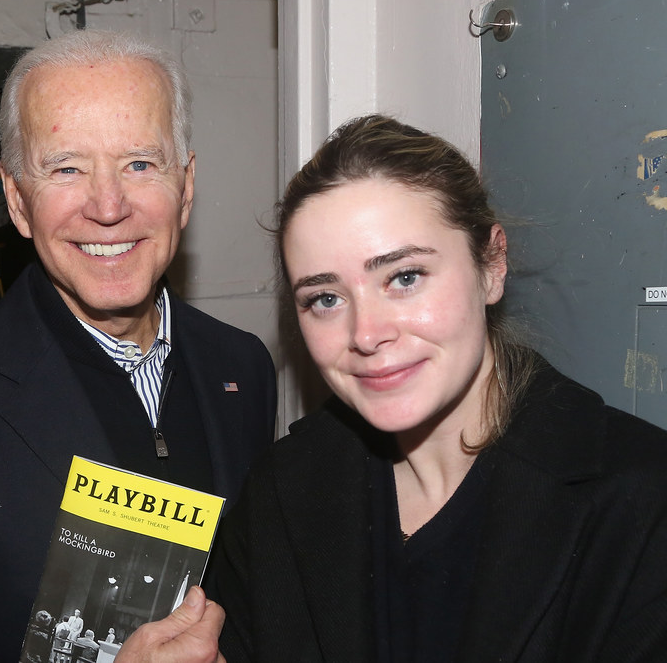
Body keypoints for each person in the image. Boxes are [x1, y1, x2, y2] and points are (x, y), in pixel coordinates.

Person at [0, 29, 276, 662]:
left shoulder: (242, 368)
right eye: (67, 168)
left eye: (140, 163)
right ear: (17, 200)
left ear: (185, 187)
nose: (108, 207)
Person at [210, 115, 667, 661]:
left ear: (492, 265)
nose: (367, 334)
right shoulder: (280, 494)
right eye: (325, 298)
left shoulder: (642, 502)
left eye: (404, 277)